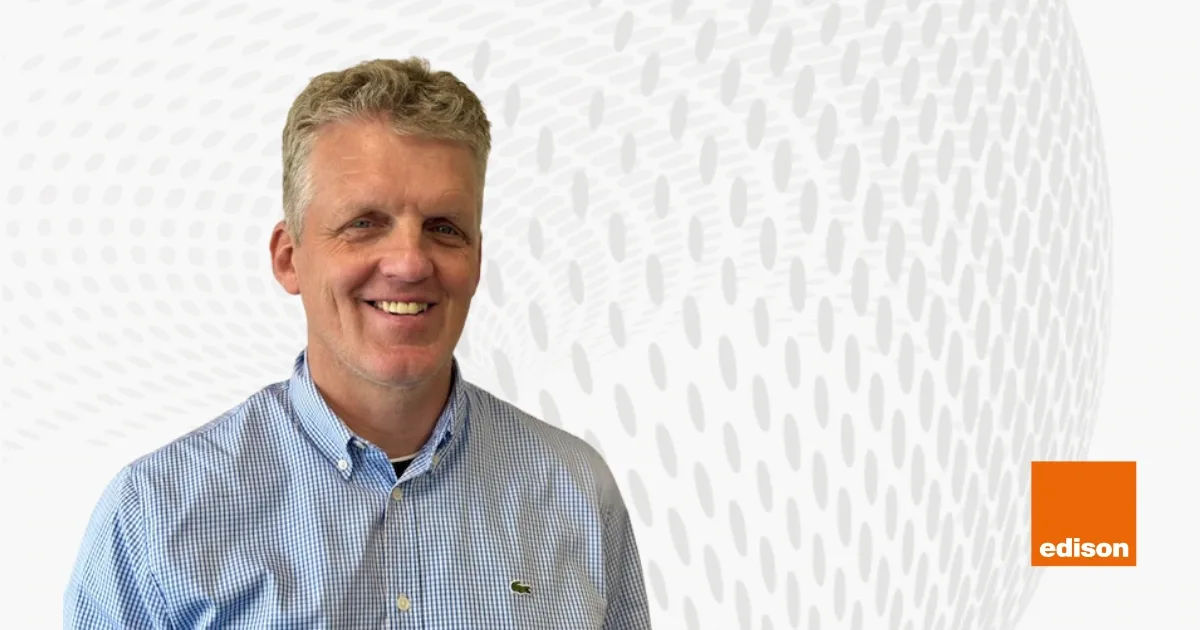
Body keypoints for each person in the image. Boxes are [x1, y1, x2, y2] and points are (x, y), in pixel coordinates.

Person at [63, 57, 652, 629]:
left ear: (476, 261)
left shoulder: (576, 490)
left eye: (444, 228)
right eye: (364, 223)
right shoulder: (156, 514)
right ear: (288, 258)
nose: (409, 262)